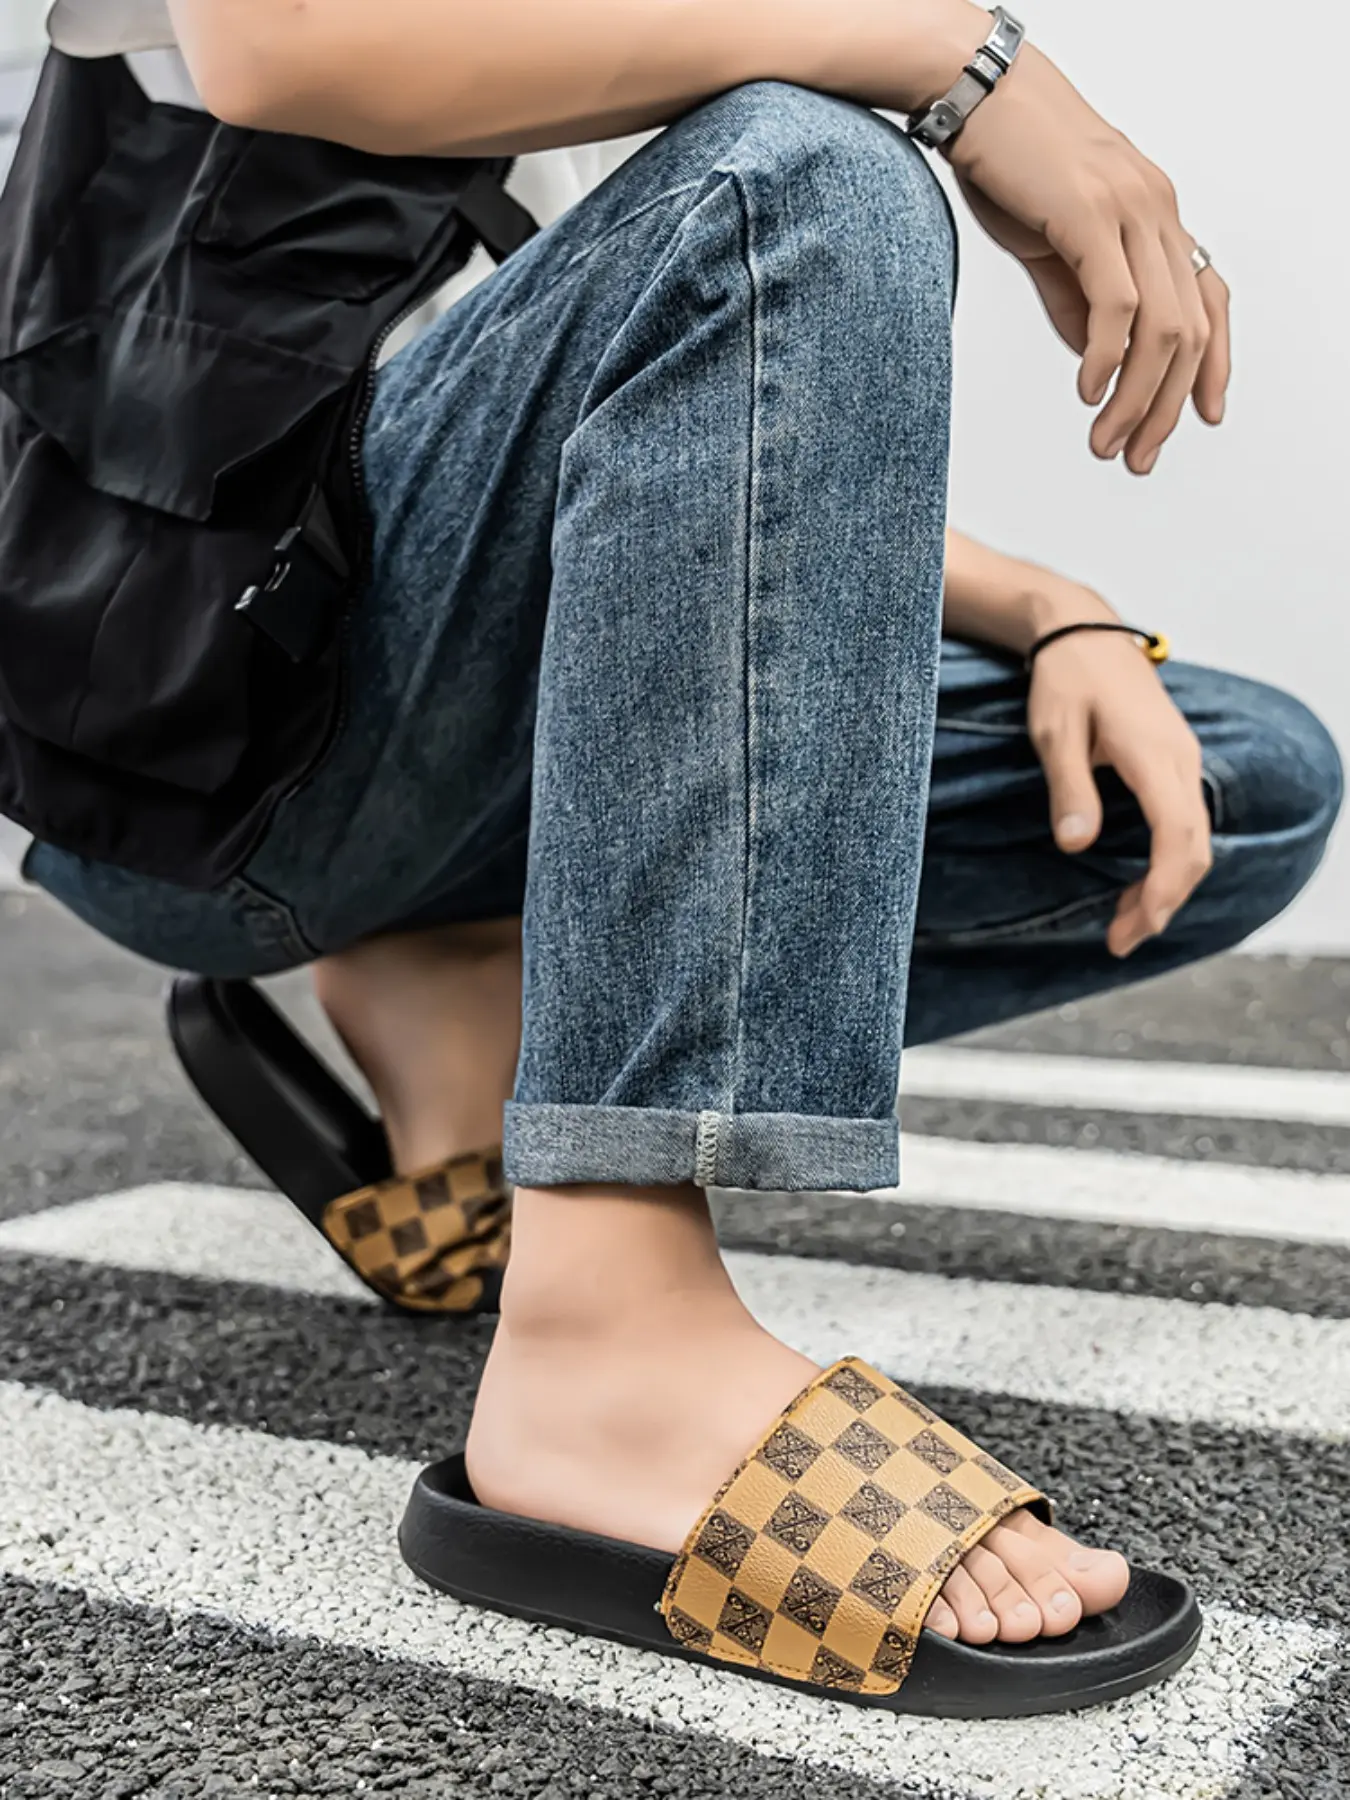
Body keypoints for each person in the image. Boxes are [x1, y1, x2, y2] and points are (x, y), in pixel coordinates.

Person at [15, 0, 1342, 1715]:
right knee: (799, 176)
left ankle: (469, 975)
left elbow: (689, 432)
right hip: (197, 729)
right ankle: (606, 1332)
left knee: (1234, 783)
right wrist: (969, 67)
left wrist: (1051, 607)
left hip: (432, 701)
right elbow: (290, 47)